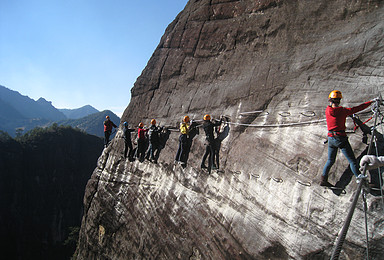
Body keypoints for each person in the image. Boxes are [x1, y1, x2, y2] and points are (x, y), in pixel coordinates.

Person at [321, 90, 373, 187]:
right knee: (352, 161)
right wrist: (370, 103)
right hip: (340, 138)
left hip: (331, 138)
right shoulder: (343, 111)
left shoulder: (327, 110)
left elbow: (336, 115)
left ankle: (324, 179)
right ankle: (360, 179)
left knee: (330, 160)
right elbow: (357, 109)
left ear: (330, 100)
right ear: (339, 100)